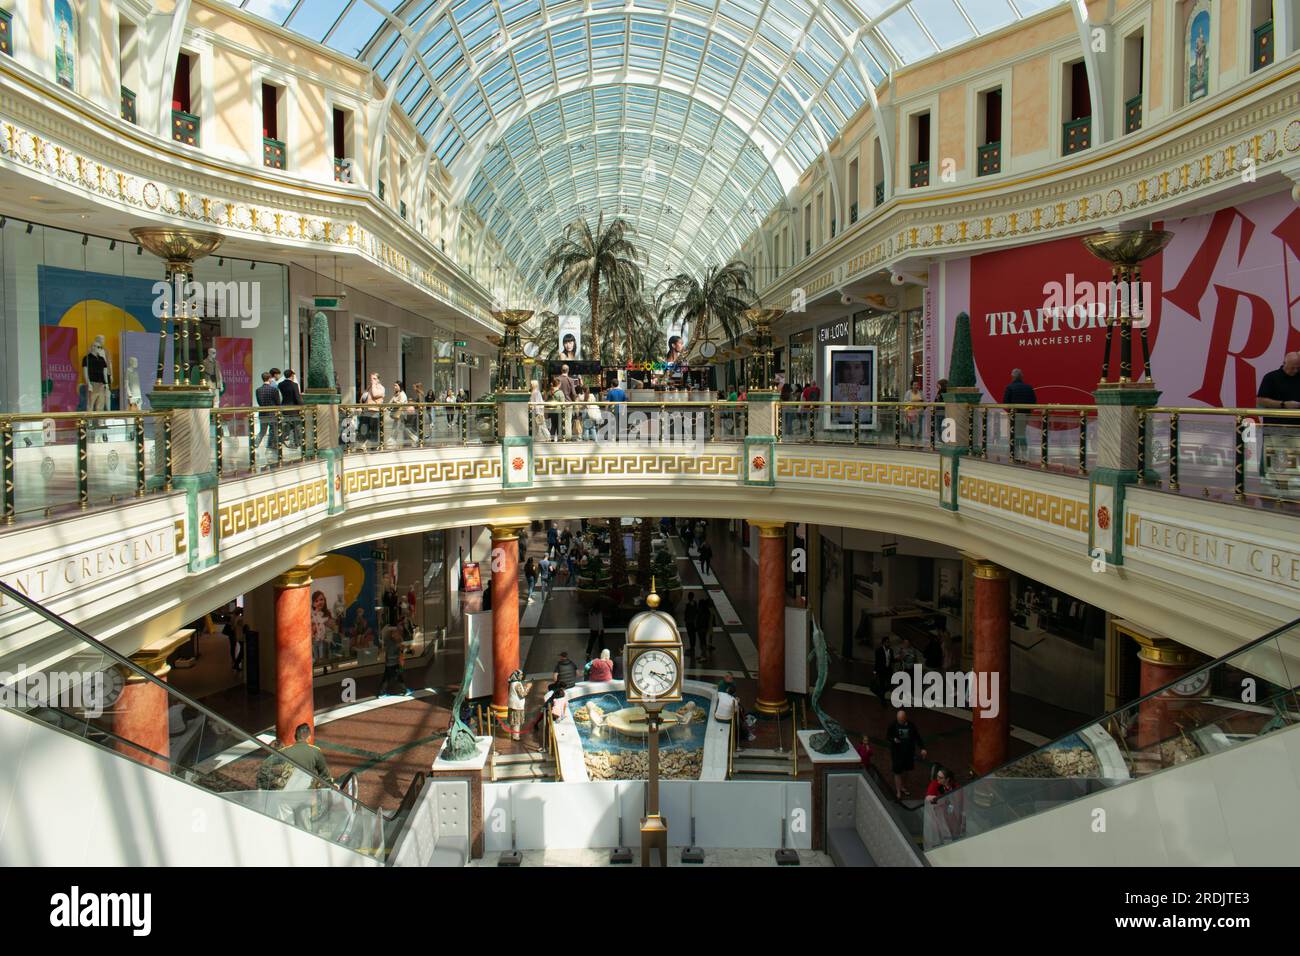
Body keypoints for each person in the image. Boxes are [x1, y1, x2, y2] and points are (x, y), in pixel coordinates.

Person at [1256, 351, 1300, 489]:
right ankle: (1281, 486)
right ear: (1284, 363)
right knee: (1279, 455)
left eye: (1298, 367)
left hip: (1296, 426)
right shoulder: (1271, 377)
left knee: (1294, 453)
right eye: (1292, 367)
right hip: (1276, 425)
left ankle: (1287, 484)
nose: (1295, 370)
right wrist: (1284, 404)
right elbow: (1261, 400)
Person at [886, 709, 928, 800]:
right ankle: (898, 790)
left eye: (901, 720)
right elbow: (888, 736)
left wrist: (922, 748)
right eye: (898, 720)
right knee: (897, 772)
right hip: (897, 753)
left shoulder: (911, 726)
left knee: (906, 771)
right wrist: (893, 739)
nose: (900, 722)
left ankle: (903, 787)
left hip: (908, 753)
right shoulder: (893, 725)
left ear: (905, 718)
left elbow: (917, 737)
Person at [1002, 368, 1036, 459]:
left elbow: (1005, 402)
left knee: (1015, 434)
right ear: (1021, 377)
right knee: (1022, 433)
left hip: (1015, 415)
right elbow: (1033, 402)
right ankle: (1024, 453)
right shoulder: (1028, 387)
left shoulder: (1010, 387)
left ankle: (1015, 453)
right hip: (1025, 415)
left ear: (1013, 377)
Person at [254, 371, 281, 460]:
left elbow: (259, 402)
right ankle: (273, 446)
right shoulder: (274, 390)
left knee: (262, 431)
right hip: (272, 413)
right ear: (269, 379)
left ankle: (255, 444)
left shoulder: (258, 390)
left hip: (262, 413)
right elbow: (278, 402)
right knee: (274, 430)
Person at [378, 624, 412, 697]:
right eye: (396, 632)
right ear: (392, 634)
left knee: (387, 678)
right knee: (397, 677)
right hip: (393, 664)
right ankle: (404, 690)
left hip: (390, 664)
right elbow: (392, 654)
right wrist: (401, 653)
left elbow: (402, 649)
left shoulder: (389, 641)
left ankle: (382, 692)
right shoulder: (393, 643)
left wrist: (406, 650)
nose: (398, 634)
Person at [278, 369, 303, 449]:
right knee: (295, 426)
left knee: (289, 425)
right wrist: (302, 406)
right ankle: (295, 442)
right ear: (291, 375)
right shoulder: (294, 385)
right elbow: (297, 397)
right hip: (293, 409)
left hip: (284, 408)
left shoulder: (280, 384)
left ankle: (291, 442)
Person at [507, 670, 532, 742]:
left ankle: (512, 734)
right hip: (517, 705)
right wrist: (528, 687)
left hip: (512, 704)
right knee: (516, 721)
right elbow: (522, 694)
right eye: (521, 675)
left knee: (513, 720)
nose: (522, 676)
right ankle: (516, 736)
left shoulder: (512, 683)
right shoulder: (517, 684)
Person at [222, 606, 247, 672]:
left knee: (236, 647)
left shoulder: (235, 617)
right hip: (236, 635)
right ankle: (236, 663)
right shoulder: (238, 618)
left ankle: (235, 662)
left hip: (235, 635)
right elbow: (233, 627)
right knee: (239, 649)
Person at [873, 635, 894, 709]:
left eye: (889, 642)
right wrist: (875, 672)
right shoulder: (878, 651)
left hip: (888, 670)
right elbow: (877, 662)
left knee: (889, 685)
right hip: (881, 671)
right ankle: (882, 700)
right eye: (887, 642)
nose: (889, 643)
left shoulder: (891, 650)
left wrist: (898, 658)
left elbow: (892, 660)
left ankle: (881, 693)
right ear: (883, 643)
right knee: (882, 685)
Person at [904, 376, 925, 442]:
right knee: (911, 428)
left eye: (917, 384)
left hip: (920, 413)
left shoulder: (921, 392)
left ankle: (919, 440)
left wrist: (921, 407)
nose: (916, 386)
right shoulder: (908, 393)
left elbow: (924, 402)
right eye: (914, 385)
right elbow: (905, 402)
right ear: (911, 386)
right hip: (911, 413)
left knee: (920, 428)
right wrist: (913, 402)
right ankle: (912, 441)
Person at [684, 592, 700, 658]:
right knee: (692, 635)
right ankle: (692, 647)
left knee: (691, 635)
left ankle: (692, 647)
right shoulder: (695, 603)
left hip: (689, 622)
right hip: (693, 622)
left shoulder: (688, 605)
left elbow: (686, 614)